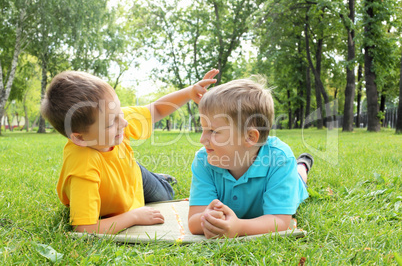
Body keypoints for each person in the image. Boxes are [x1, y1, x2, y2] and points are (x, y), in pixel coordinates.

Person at [41, 69, 219, 234]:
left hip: (130, 172)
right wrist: (133, 217)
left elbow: (155, 109)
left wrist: (188, 92)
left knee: (165, 194)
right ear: (80, 138)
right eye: (111, 123)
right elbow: (85, 228)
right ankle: (156, 177)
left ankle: (158, 177)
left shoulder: (115, 120)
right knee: (161, 198)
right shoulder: (82, 168)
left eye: (120, 113)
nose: (124, 123)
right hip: (114, 182)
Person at [188, 77, 314, 239]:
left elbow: (280, 221)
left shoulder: (279, 159)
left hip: (290, 180)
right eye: (203, 129)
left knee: (298, 178)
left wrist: (239, 227)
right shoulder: (203, 161)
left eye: (213, 131)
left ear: (250, 137)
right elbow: (194, 221)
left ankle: (303, 165)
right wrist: (209, 219)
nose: (202, 139)